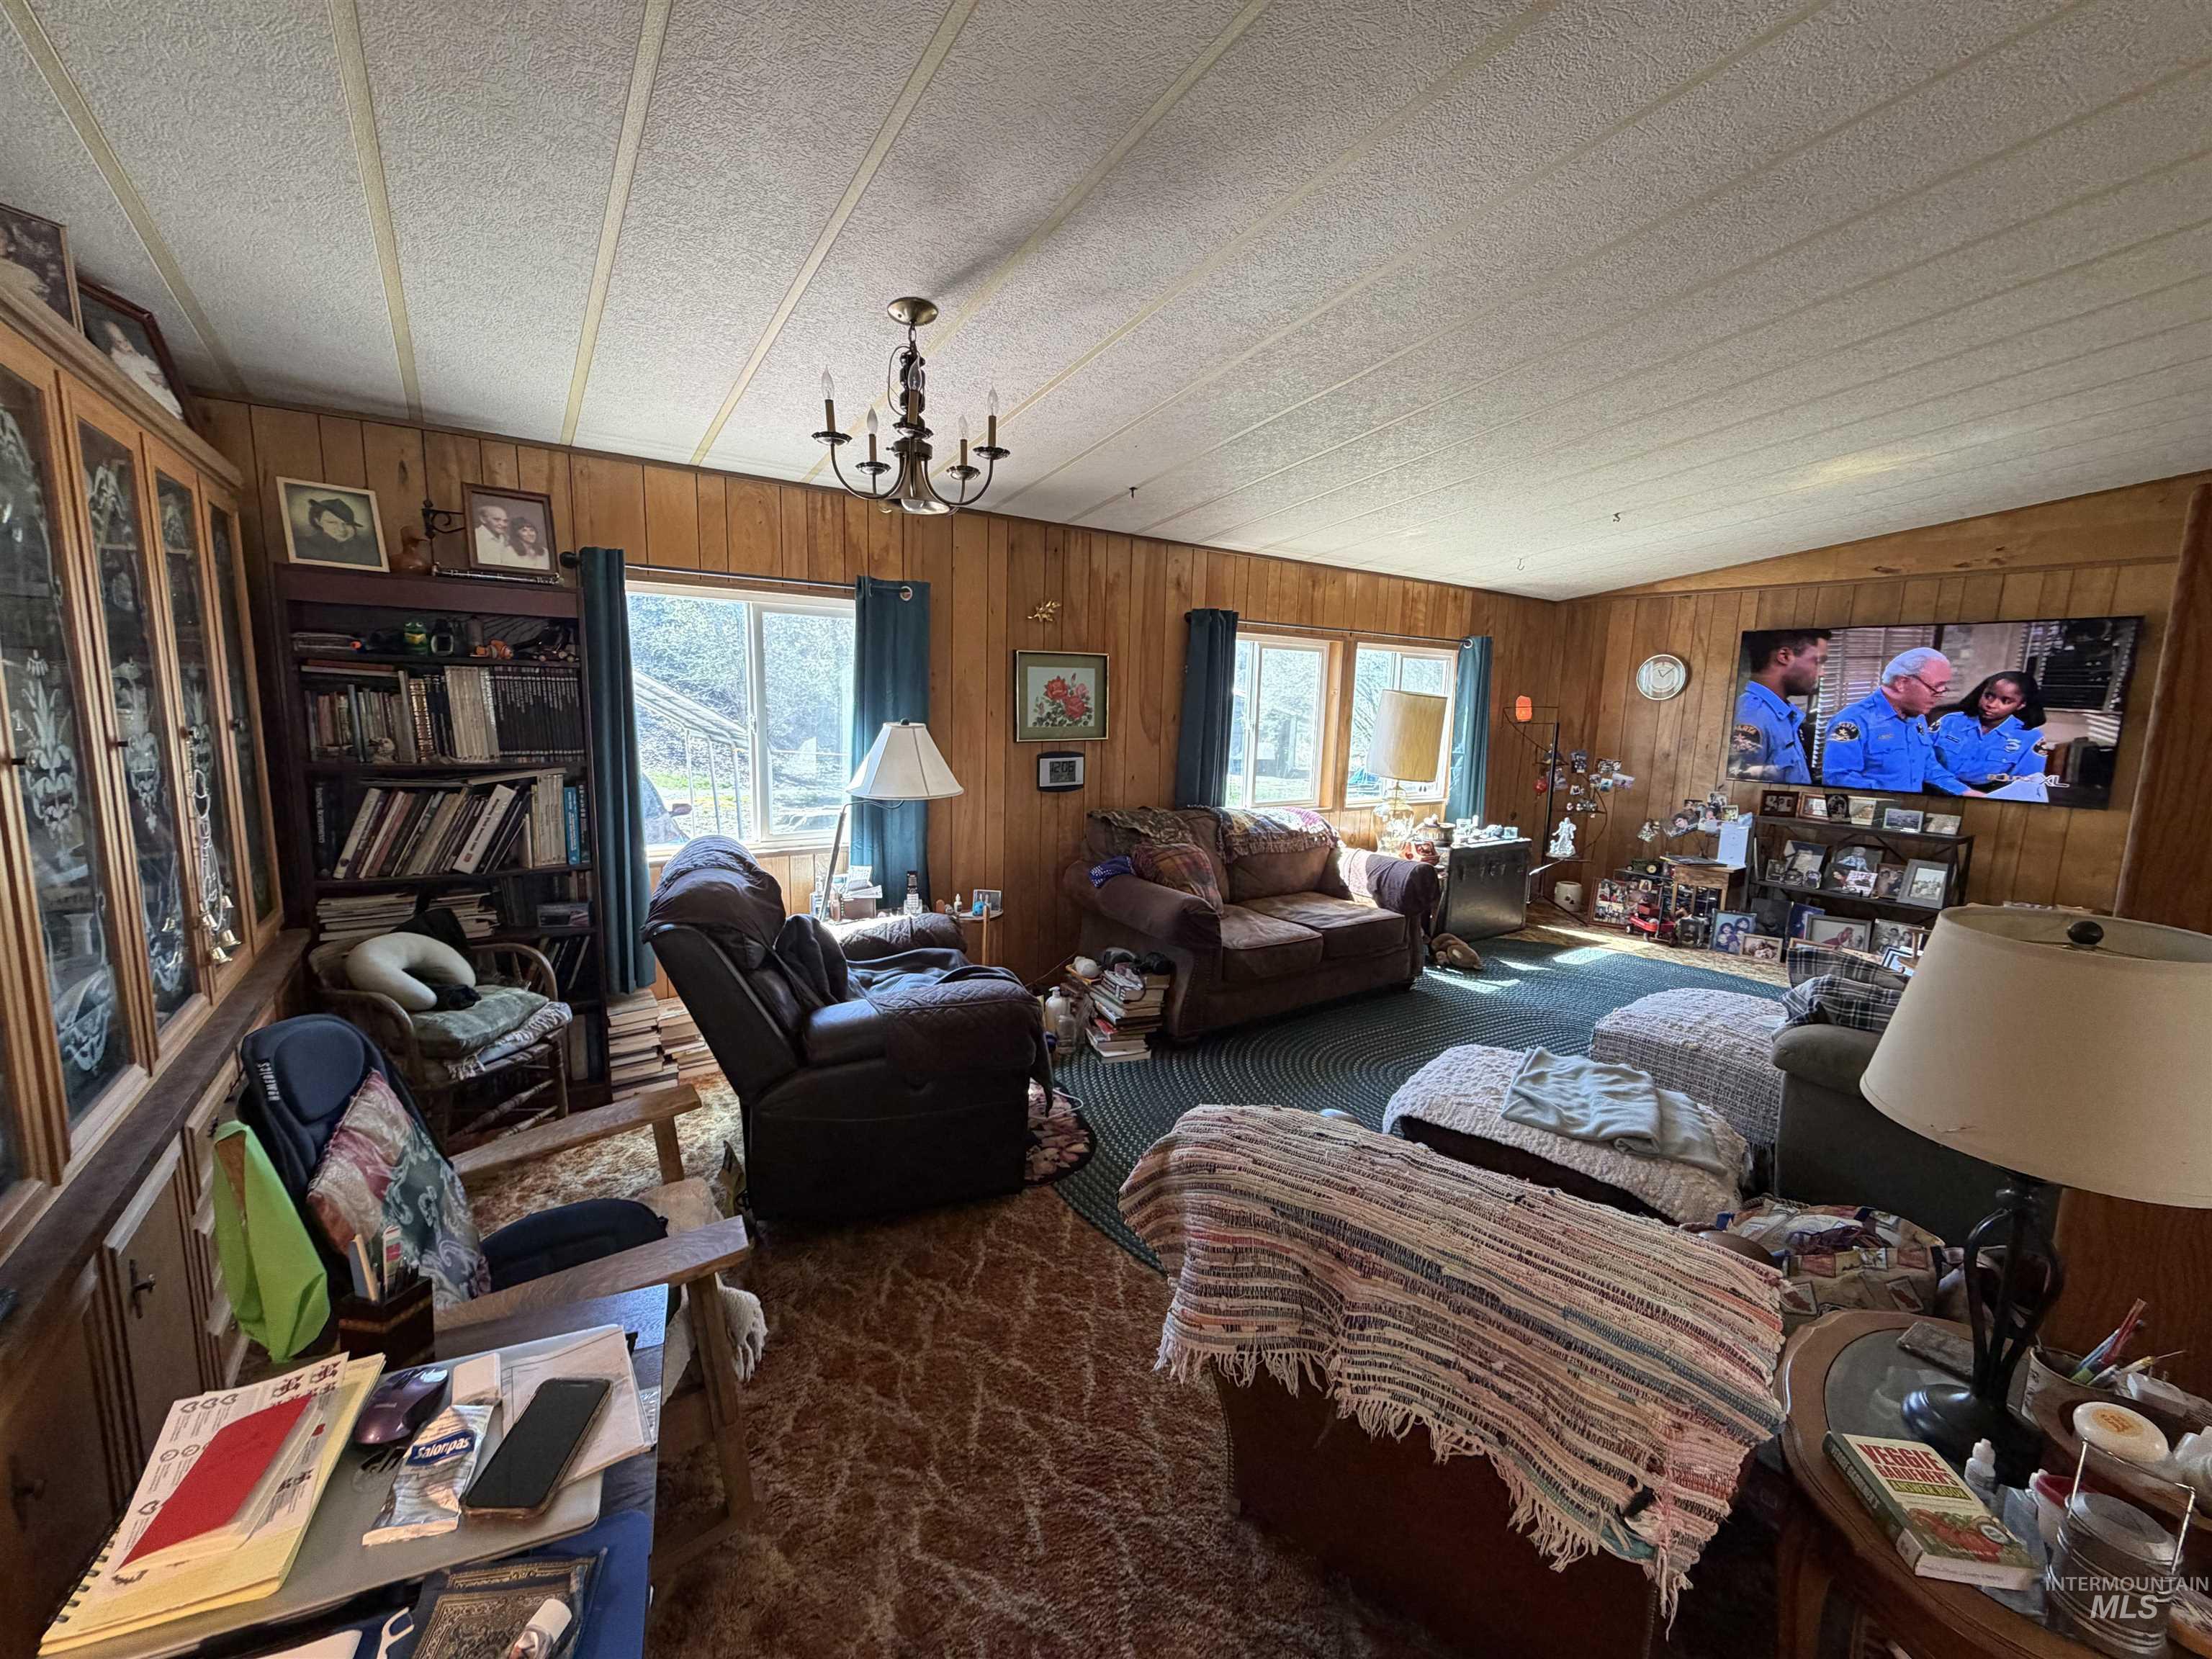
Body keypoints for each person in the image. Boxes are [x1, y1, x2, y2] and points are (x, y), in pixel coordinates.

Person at [1817, 647, 1977, 795]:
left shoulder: (1917, 717)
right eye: (1936, 687)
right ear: (1902, 683)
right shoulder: (1853, 722)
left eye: (1944, 688)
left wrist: (1969, 794)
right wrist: (1894, 802)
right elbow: (1839, 781)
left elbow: (1930, 769)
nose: (1941, 695)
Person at [1728, 629, 1829, 783]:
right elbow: (1740, 787)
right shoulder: (1754, 717)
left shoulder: (1781, 715)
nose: (1822, 673)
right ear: (1785, 656)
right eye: (1817, 662)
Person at [1933, 670, 2048, 789]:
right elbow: (1920, 758)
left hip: (1983, 798)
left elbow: (2026, 786)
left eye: (2006, 701)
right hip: (1932, 788)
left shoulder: (2030, 738)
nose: (1992, 704)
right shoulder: (1951, 721)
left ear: (2021, 705)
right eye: (1988, 696)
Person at [292, 494, 374, 565]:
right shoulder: (303, 546)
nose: (342, 529)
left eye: (347, 524)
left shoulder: (369, 549)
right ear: (318, 522)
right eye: (332, 522)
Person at [472, 501, 513, 567]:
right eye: (497, 520)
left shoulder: (507, 539)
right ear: (483, 519)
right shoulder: (475, 537)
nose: (503, 524)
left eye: (505, 521)